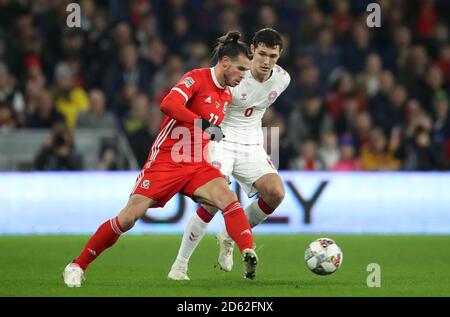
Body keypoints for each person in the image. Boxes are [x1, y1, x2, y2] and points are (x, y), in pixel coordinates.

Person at [62, 31, 258, 287]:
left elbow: (214, 130)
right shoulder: (196, 78)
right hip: (165, 161)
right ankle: (77, 265)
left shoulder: (227, 95)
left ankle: (248, 252)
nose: (244, 75)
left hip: (197, 164)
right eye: (241, 69)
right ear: (225, 63)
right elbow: (168, 104)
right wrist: (201, 122)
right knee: (129, 217)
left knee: (227, 198)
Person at [168, 28, 290, 280]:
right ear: (252, 50)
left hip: (251, 143)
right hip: (220, 138)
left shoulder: (282, 79)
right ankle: (180, 265)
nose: (267, 62)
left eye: (274, 56)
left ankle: (228, 235)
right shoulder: (235, 75)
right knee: (212, 201)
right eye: (263, 54)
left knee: (276, 193)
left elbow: (256, 108)